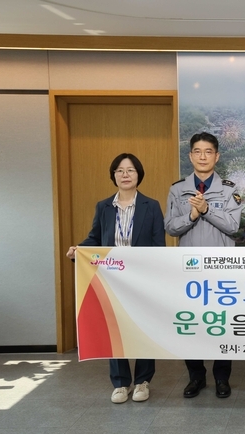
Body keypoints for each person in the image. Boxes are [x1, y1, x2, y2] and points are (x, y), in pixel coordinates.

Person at [66, 153, 165, 404]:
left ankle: (143, 381)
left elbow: (159, 245)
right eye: (120, 170)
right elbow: (95, 238)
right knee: (114, 329)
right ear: (114, 176)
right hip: (112, 279)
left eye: (130, 170)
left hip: (142, 279)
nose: (125, 175)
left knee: (143, 328)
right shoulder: (104, 207)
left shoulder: (151, 206)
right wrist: (79, 250)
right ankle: (120, 383)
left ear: (138, 175)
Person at [165, 132, 242, 399]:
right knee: (192, 323)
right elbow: (170, 227)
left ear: (216, 156)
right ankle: (195, 377)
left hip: (222, 269)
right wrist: (192, 214)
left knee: (221, 323)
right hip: (189, 270)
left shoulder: (229, 189)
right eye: (197, 151)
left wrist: (207, 210)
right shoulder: (177, 190)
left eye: (208, 152)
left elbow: (233, 226)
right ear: (190, 156)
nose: (202, 156)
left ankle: (222, 378)